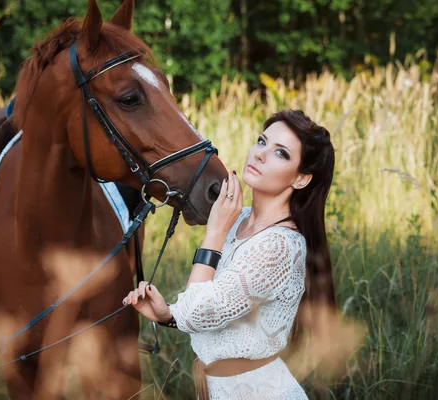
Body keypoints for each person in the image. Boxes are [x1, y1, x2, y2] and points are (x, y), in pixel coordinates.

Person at [123, 109, 336, 399]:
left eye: (281, 153)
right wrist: (167, 315)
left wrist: (214, 233)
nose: (260, 154)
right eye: (262, 141)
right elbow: (215, 312)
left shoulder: (280, 245)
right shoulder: (239, 220)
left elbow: (196, 312)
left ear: (300, 179)